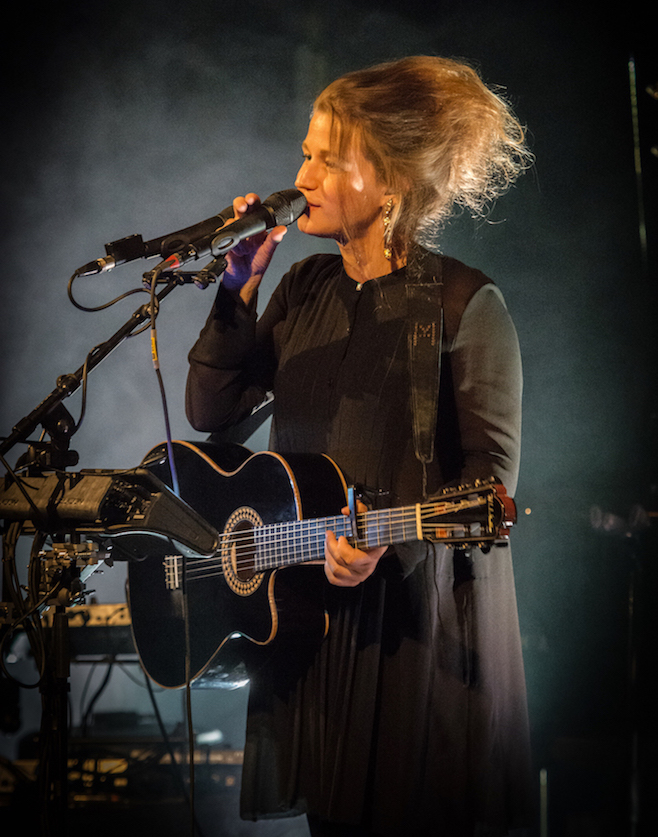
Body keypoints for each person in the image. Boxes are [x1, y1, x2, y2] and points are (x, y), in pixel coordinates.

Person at [185, 56, 534, 836]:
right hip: (317, 624)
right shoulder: (304, 289)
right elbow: (214, 413)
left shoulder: (464, 304)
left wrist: (387, 547)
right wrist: (234, 289)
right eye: (303, 152)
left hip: (417, 635)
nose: (300, 174)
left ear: (390, 187)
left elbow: (490, 484)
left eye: (326, 159)